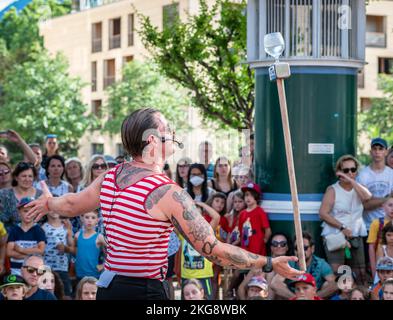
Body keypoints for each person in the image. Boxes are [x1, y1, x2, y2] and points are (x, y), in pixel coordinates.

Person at [26, 107, 303, 300]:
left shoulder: (112, 176)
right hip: (142, 291)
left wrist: (49, 204)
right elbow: (213, 251)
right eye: (167, 128)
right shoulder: (167, 192)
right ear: (152, 140)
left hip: (109, 289)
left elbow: (73, 204)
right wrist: (268, 262)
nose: (173, 132)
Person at [319, 155, 371, 284]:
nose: (350, 173)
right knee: (340, 274)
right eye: (346, 170)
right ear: (339, 172)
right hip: (336, 234)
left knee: (360, 273)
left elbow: (367, 197)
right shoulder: (332, 190)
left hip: (356, 234)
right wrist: (342, 227)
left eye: (353, 170)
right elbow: (323, 213)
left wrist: (352, 181)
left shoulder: (359, 187)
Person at [271, 232, 337, 299]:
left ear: (312, 248)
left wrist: (312, 297)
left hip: (314, 295)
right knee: (279, 286)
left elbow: (334, 284)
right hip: (294, 295)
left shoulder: (320, 263)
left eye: (304, 248)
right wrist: (297, 298)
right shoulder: (290, 263)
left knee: (327, 285)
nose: (300, 251)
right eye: (297, 248)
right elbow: (275, 284)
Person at [357, 138, 393, 231]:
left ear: (386, 152)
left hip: (389, 227)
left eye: (380, 149)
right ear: (370, 152)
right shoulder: (362, 175)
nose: (377, 152)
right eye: (375, 149)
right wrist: (386, 199)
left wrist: (372, 199)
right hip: (369, 226)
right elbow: (365, 206)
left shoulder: (391, 174)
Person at [6, 197, 46, 275]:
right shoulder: (14, 230)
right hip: (16, 270)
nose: (29, 214)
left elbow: (41, 251)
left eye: (32, 211)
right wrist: (31, 253)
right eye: (25, 211)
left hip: (33, 271)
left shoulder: (39, 230)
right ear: (19, 212)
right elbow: (9, 252)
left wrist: (21, 250)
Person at [0, 162, 43, 230]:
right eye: (24, 176)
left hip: (37, 236)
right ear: (16, 178)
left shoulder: (41, 195)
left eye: (30, 176)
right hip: (11, 236)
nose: (27, 179)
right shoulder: (4, 195)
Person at [42, 209, 73, 297]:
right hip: (47, 267)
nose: (54, 210)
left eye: (57, 207)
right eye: (51, 208)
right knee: (48, 293)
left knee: (65, 294)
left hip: (62, 267)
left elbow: (72, 247)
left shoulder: (66, 227)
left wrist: (65, 247)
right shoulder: (43, 227)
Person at [70, 210, 106, 282]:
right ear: (82, 219)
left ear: (97, 220)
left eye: (93, 218)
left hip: (94, 275)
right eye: (87, 217)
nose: (90, 220)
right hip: (79, 274)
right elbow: (74, 251)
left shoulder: (99, 237)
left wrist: (103, 265)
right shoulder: (77, 235)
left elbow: (111, 250)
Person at [238, 182, 271, 256]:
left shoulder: (260, 211)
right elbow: (241, 231)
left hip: (258, 250)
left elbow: (268, 230)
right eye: (246, 195)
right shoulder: (242, 213)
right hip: (245, 249)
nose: (248, 198)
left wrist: (263, 241)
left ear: (256, 196)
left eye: (251, 195)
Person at [368, 196, 393, 279]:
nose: (392, 208)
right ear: (383, 206)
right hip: (382, 265)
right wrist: (374, 269)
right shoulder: (377, 223)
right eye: (390, 205)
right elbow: (371, 247)